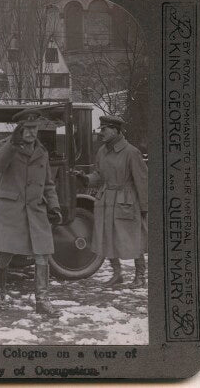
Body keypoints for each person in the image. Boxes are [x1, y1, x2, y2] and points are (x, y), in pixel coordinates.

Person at [0, 107, 63, 317]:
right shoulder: (5, 146)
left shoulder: (42, 152)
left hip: (36, 210)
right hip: (10, 211)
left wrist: (54, 206)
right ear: (19, 128)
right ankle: (0, 294)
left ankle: (42, 301)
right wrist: (12, 143)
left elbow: (48, 184)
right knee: (5, 256)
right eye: (26, 128)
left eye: (34, 128)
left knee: (42, 255)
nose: (31, 133)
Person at [73, 116, 148, 288]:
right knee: (107, 237)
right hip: (105, 200)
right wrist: (85, 178)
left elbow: (142, 181)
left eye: (104, 129)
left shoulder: (131, 152)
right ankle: (117, 274)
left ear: (115, 130)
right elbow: (99, 176)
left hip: (126, 201)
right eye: (101, 129)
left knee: (132, 238)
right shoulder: (102, 151)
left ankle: (140, 276)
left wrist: (144, 207)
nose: (101, 133)